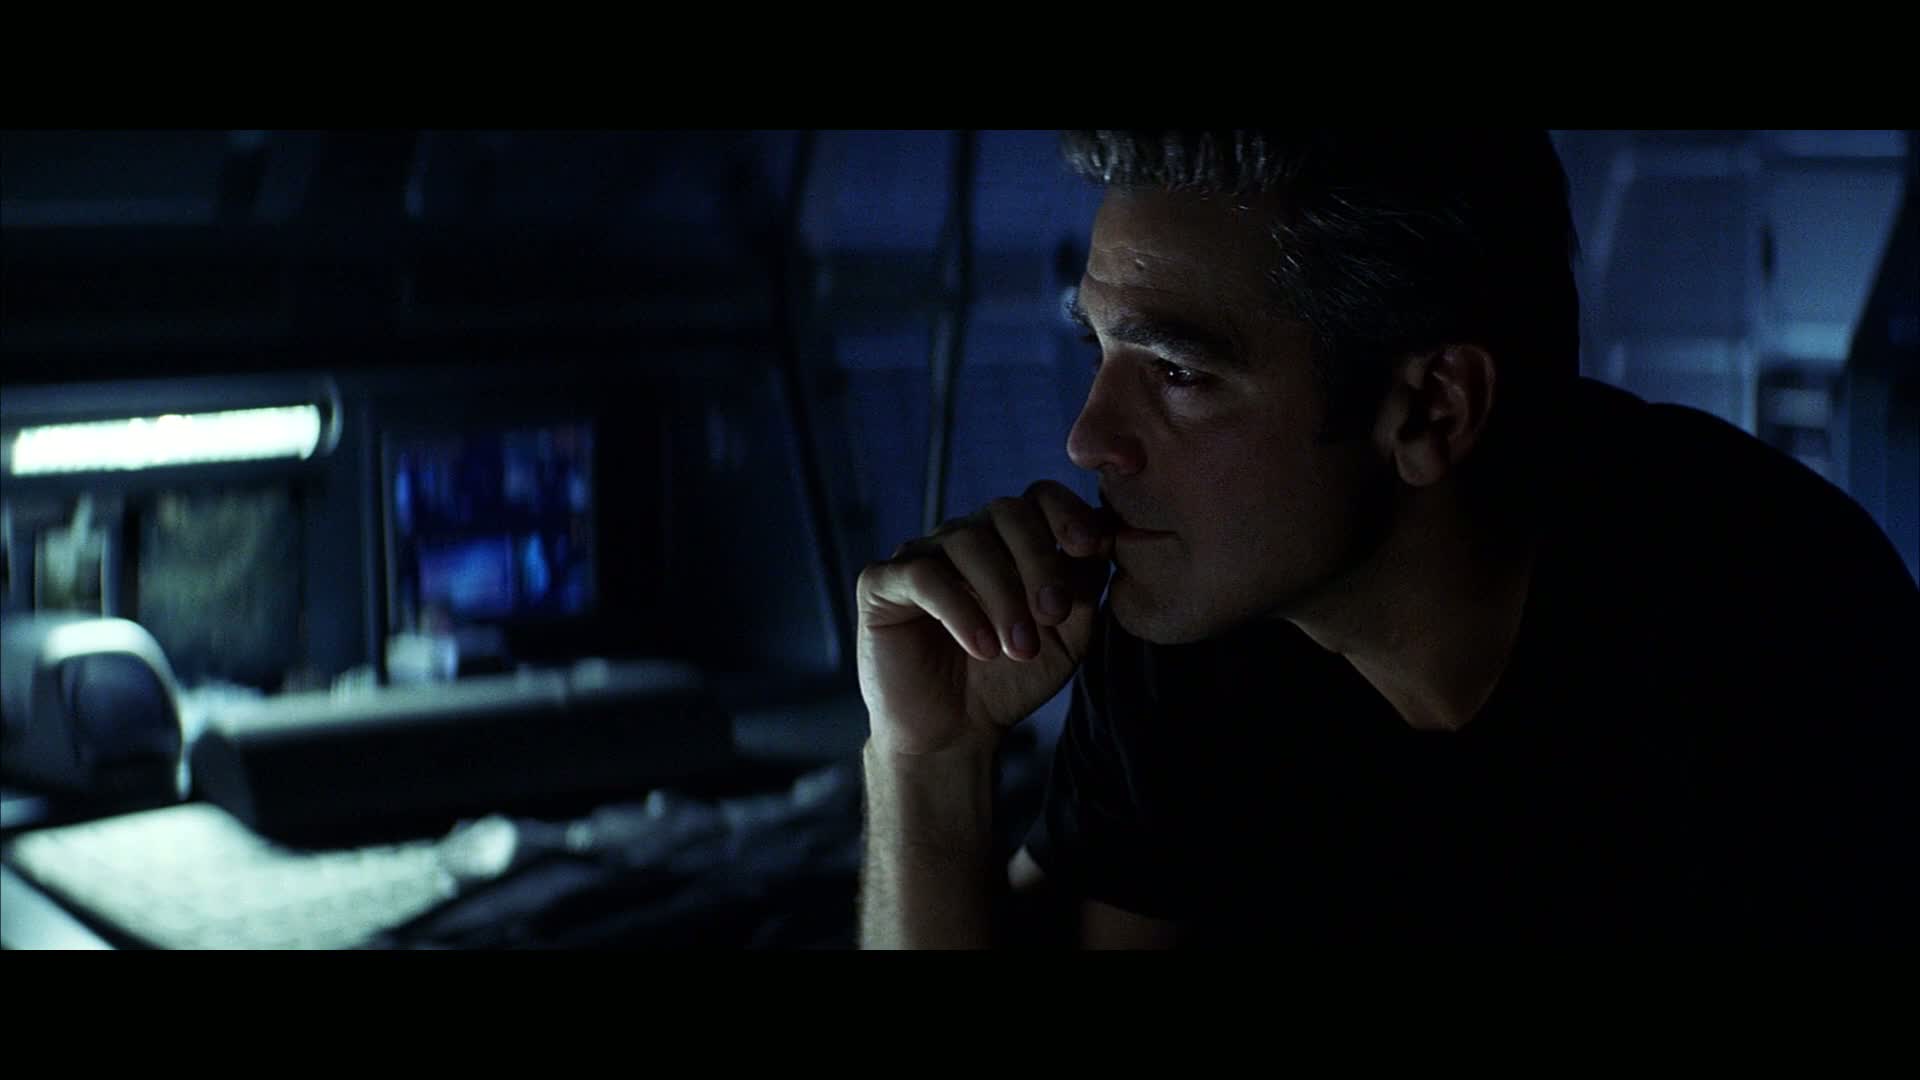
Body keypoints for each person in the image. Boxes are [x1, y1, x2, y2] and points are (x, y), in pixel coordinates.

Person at [856, 130, 1919, 946]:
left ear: (1430, 410)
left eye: (1178, 374)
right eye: (1099, 351)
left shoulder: (1780, 635)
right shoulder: (1190, 613)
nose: (1088, 438)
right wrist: (930, 764)